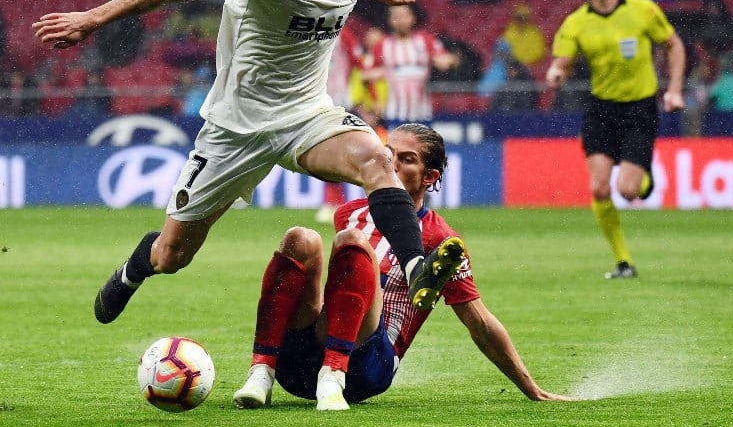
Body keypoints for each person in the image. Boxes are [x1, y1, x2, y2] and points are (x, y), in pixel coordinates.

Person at [32, 0, 459, 323]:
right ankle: (134, 268)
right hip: (236, 127)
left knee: (377, 158)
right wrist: (92, 18)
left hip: (306, 114)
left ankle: (414, 269)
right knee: (172, 255)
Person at [233, 123, 575, 410]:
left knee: (352, 242)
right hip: (304, 363)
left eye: (406, 159)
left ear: (430, 176)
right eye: (387, 153)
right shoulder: (350, 212)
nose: (390, 164)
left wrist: (532, 388)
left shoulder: (442, 241)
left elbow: (480, 323)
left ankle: (334, 374)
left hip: (367, 367)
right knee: (300, 238)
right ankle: (262, 371)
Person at [545, 0, 686, 279]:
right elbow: (561, 63)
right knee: (598, 188)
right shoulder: (576, 23)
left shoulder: (643, 11)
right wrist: (555, 74)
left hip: (639, 107)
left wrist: (675, 88)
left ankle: (644, 178)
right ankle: (624, 261)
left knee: (628, 190)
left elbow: (674, 45)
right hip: (601, 109)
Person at [372, 3, 448, 123]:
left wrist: (447, 61)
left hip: (422, 112)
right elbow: (366, 74)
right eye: (396, 17)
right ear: (390, 20)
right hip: (393, 112)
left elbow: (445, 60)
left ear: (413, 18)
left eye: (404, 16)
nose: (401, 20)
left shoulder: (425, 40)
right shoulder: (382, 45)